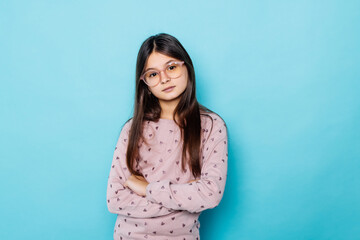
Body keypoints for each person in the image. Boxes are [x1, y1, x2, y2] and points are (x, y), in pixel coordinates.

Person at [106, 33, 228, 240]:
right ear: (146, 84)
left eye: (171, 67)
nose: (164, 79)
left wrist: (147, 189)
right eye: (153, 74)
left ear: (186, 66)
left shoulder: (211, 126)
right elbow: (115, 199)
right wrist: (183, 199)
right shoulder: (132, 129)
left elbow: (210, 194)